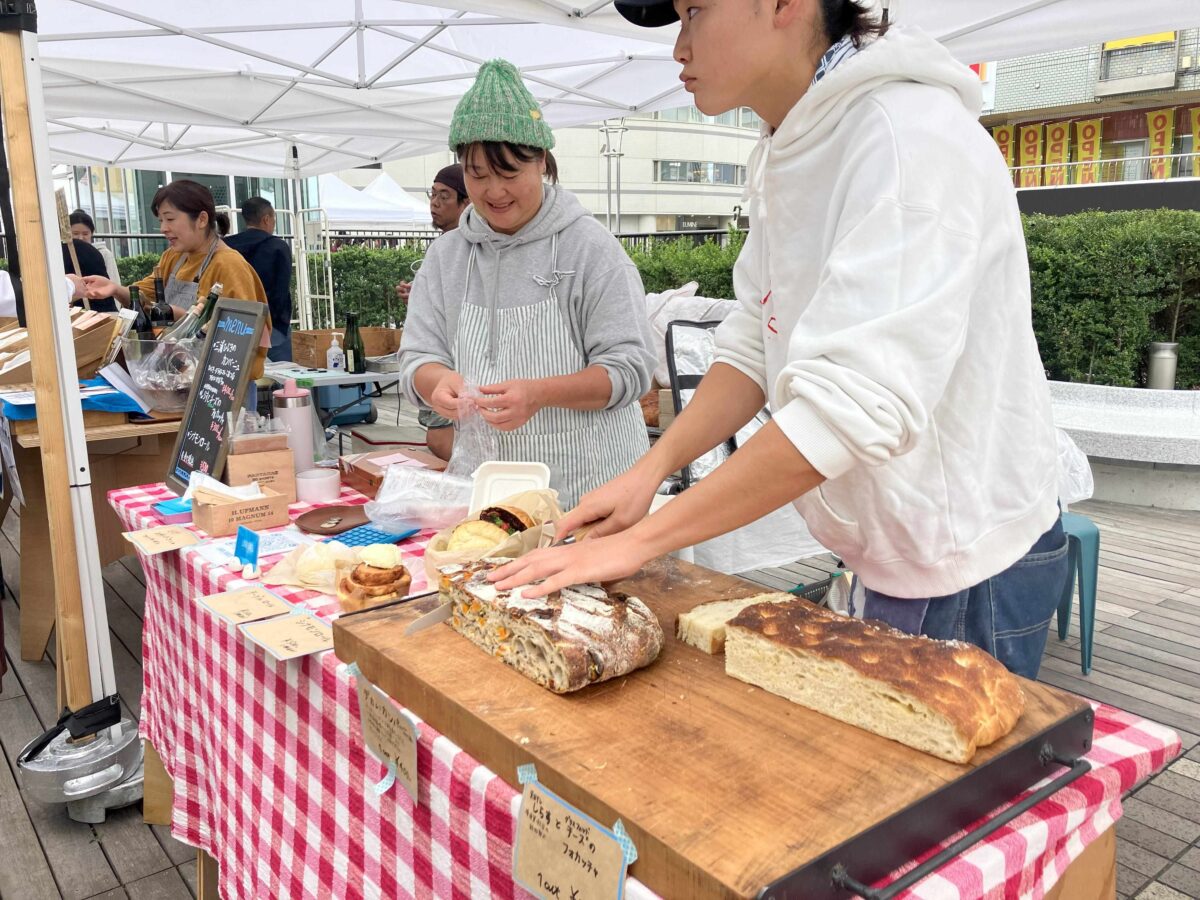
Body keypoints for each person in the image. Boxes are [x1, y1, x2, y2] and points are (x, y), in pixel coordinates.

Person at [493, 0, 1069, 681]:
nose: (679, 47)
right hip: (883, 550)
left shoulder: (908, 139)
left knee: (952, 784)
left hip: (963, 554)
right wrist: (649, 475)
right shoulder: (789, 142)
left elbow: (851, 407)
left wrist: (642, 543)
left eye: (694, 11)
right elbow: (752, 342)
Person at [397, 60, 656, 508]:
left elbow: (630, 368)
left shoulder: (589, 248)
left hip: (592, 489)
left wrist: (540, 394)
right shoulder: (446, 257)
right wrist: (436, 382)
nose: (494, 191)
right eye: (478, 174)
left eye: (510, 172)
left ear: (541, 163)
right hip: (492, 493)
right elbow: (418, 355)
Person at [82, 179, 271, 390]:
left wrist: (183, 317)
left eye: (170, 219)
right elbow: (143, 299)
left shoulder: (229, 265)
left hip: (222, 388)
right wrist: (115, 289)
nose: (163, 228)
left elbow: (243, 336)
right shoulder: (173, 257)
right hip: (178, 380)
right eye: (161, 220)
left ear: (201, 219)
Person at [395, 164, 470, 461]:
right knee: (438, 437)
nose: (434, 204)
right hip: (439, 367)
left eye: (445, 196)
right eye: (433, 195)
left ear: (466, 202)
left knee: (441, 438)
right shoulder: (442, 249)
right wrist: (419, 301)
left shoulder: (478, 247)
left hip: (460, 367)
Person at [225, 197, 294, 362]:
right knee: (283, 377)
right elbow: (281, 291)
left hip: (235, 324)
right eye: (274, 220)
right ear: (266, 219)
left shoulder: (226, 246)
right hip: (272, 326)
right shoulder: (278, 246)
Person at [70, 210, 121, 283]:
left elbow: (114, 283)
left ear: (92, 233)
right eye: (75, 233)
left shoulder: (104, 253)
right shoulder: (63, 254)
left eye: (85, 234)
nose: (80, 238)